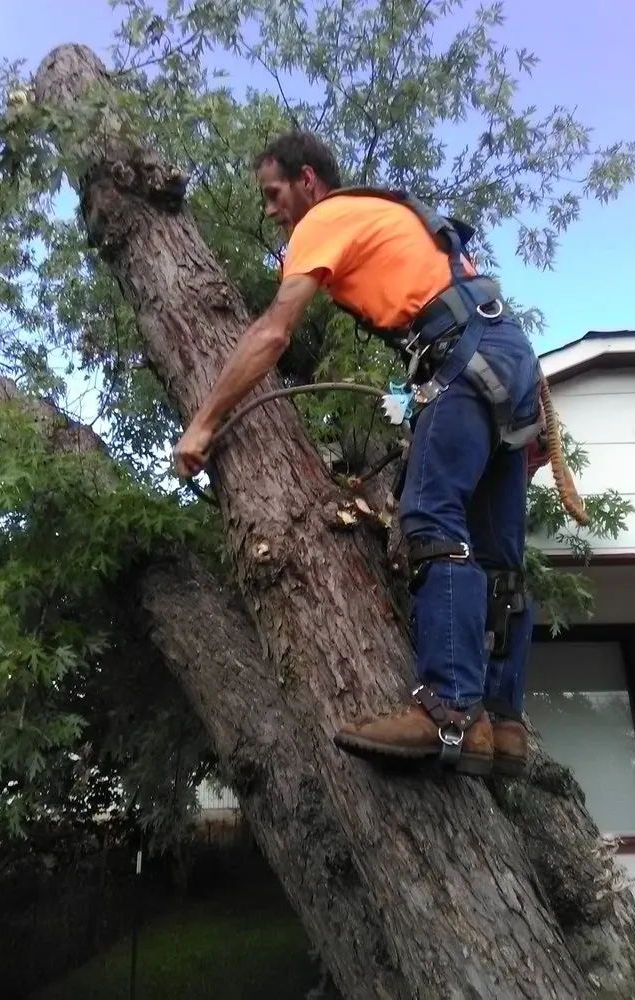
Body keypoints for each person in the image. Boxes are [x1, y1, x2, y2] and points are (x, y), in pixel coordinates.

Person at [174, 131, 545, 779]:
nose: (272, 210)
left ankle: (450, 712)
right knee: (498, 560)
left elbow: (272, 332)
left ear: (309, 180)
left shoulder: (326, 219)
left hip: (461, 356)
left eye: (274, 193)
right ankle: (501, 725)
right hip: (504, 359)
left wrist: (203, 424)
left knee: (431, 523)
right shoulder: (389, 219)